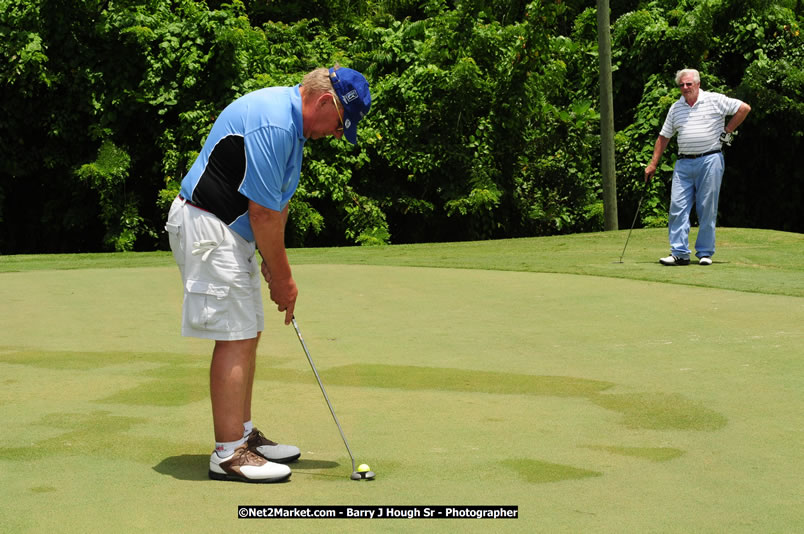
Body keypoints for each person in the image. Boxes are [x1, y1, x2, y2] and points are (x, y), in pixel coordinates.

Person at [164, 66, 371, 483]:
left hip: (228, 233)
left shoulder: (292, 131)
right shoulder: (275, 121)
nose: (335, 135)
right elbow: (262, 213)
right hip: (209, 227)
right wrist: (284, 278)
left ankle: (241, 436)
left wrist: (275, 267)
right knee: (236, 335)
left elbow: (276, 206)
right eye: (339, 126)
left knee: (247, 331)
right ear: (327, 102)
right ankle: (228, 454)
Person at [644, 68, 750, 266]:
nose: (685, 88)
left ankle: (705, 253)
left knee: (707, 208)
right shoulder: (676, 108)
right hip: (683, 163)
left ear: (698, 84)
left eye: (688, 84)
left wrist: (727, 131)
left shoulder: (714, 99)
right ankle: (679, 253)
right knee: (677, 207)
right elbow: (664, 136)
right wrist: (653, 164)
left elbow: (744, 108)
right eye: (682, 85)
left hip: (710, 160)